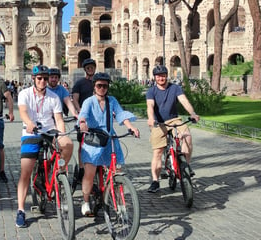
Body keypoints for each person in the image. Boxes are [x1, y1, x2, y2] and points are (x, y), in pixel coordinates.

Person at [15, 65, 72, 228]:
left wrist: (62, 134)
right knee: (25, 172)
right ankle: (20, 210)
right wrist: (29, 123)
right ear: (33, 79)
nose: (43, 81)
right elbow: (23, 112)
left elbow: (59, 119)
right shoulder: (24, 94)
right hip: (31, 132)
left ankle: (58, 175)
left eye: (45, 78)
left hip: (49, 130)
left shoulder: (54, 97)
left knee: (67, 144)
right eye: (39, 78)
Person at [77, 72, 140, 216]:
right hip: (94, 139)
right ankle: (85, 201)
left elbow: (121, 115)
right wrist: (82, 123)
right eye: (99, 85)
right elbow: (83, 115)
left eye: (105, 86)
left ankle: (119, 201)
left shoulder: (112, 101)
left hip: (110, 139)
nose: (102, 88)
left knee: (116, 170)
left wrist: (131, 127)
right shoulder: (89, 101)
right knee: (90, 172)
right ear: (94, 86)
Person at [146, 65, 200, 193]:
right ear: (154, 78)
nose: (161, 78)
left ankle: (185, 166)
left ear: (167, 76)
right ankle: (155, 181)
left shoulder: (175, 88)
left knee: (187, 136)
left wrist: (192, 113)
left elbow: (184, 101)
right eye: (158, 76)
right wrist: (150, 118)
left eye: (163, 75)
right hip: (158, 123)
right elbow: (150, 106)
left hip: (174, 120)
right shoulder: (151, 91)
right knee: (158, 152)